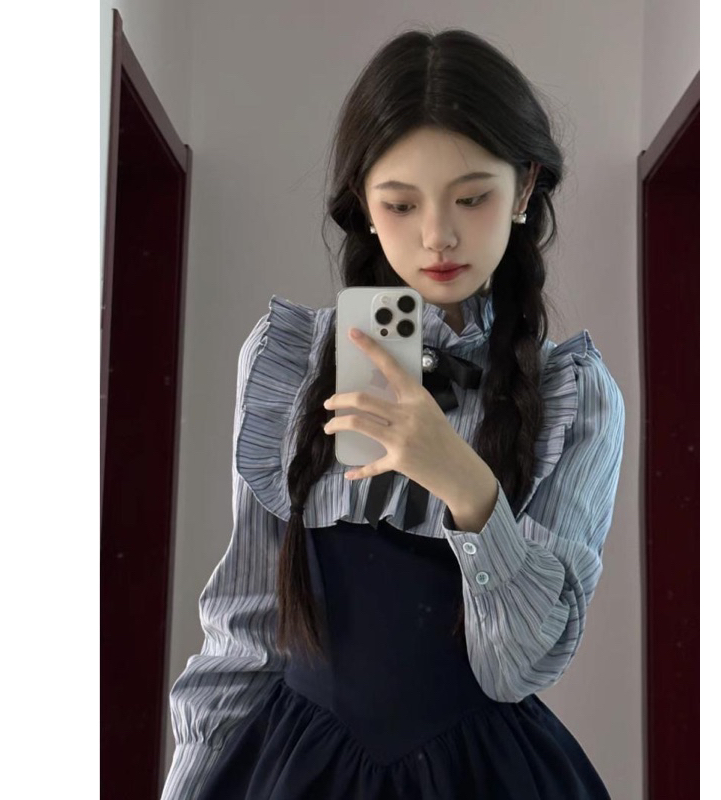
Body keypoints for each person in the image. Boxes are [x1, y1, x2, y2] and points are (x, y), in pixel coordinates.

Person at [160, 27, 625, 800]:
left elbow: (518, 667)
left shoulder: (573, 397)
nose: (437, 235)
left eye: (472, 197)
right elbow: (244, 628)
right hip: (296, 770)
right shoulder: (287, 361)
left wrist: (466, 486)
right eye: (401, 203)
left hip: (482, 776)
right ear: (364, 207)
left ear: (525, 190)